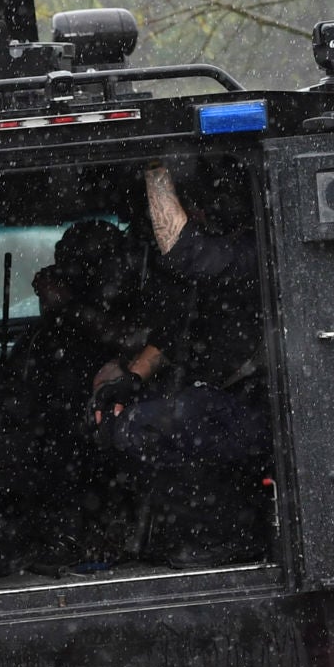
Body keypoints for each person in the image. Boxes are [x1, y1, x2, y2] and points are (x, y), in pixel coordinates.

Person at [91, 164, 271, 566]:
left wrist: (153, 166)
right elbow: (175, 334)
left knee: (150, 425)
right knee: (127, 421)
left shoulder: (251, 252)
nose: (194, 213)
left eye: (195, 206)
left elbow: (185, 253)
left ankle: (226, 537)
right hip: (218, 400)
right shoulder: (212, 277)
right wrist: (131, 379)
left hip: (256, 408)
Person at [0, 216, 146, 570]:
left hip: (109, 428)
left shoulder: (129, 306)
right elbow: (16, 394)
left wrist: (69, 304)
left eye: (78, 264)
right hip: (55, 438)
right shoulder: (48, 335)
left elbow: (129, 338)